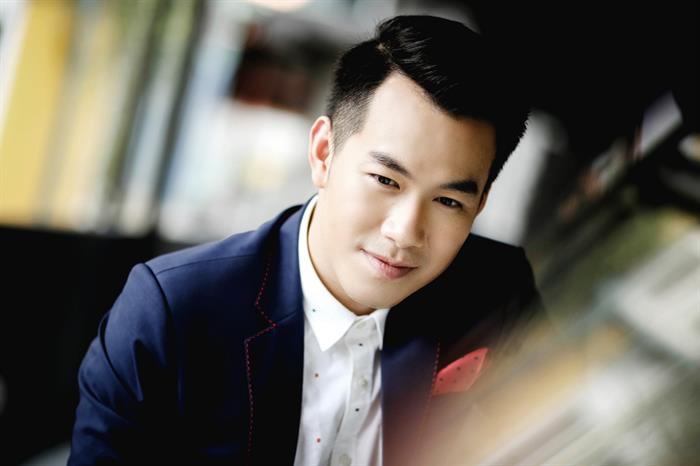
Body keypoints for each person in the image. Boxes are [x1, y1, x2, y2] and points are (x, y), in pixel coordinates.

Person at [69, 15, 541, 466]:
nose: (404, 232)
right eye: (385, 180)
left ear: (480, 203)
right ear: (323, 153)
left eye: (448, 201)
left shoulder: (497, 294)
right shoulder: (172, 311)